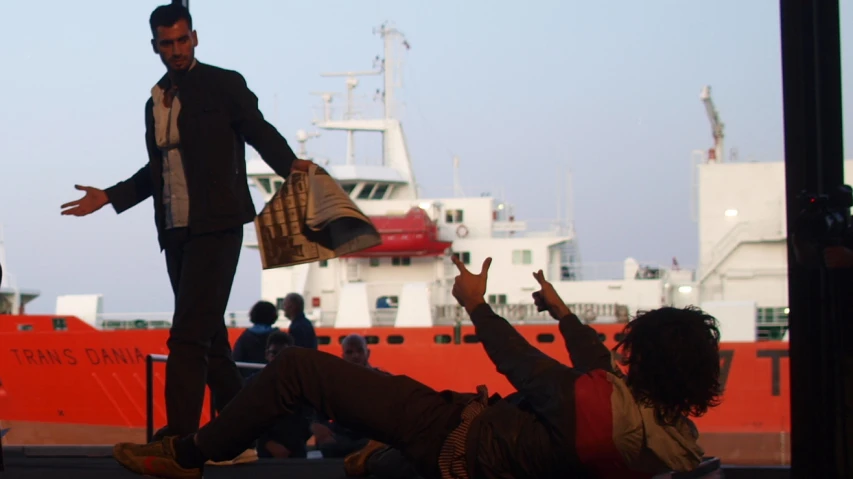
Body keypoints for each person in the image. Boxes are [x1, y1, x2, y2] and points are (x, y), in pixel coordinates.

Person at [112, 256, 722, 479]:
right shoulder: (654, 432)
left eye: (634, 344)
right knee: (375, 464)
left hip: (452, 434)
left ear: (649, 356)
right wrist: (562, 313)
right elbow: (597, 373)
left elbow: (522, 365)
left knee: (300, 368)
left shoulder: (593, 405)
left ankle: (186, 457)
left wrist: (477, 305)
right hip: (474, 449)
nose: (622, 349)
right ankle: (373, 460)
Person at [60, 3, 312, 442]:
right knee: (211, 341)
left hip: (217, 227)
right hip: (174, 232)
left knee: (187, 338)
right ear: (154, 46)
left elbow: (259, 130)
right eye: (166, 43)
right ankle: (242, 435)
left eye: (182, 40)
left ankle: (179, 438)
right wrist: (110, 196)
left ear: (194, 37)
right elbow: (156, 170)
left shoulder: (224, 85)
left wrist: (291, 165)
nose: (176, 50)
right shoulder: (154, 100)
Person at [233, 301, 280, 379]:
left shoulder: (245, 336)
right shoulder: (278, 336)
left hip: (249, 380)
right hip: (272, 380)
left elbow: (236, 359)